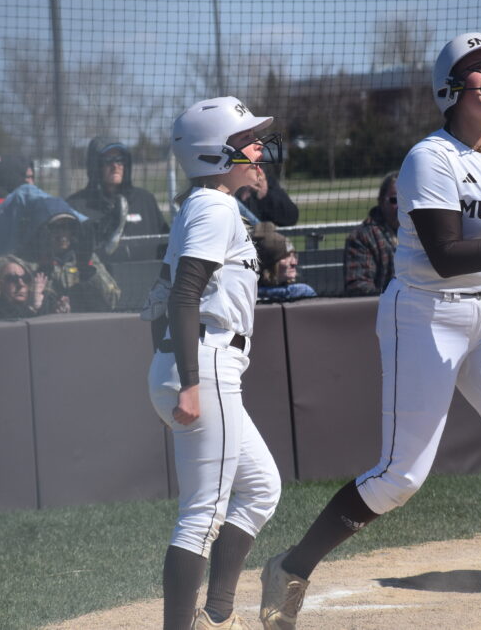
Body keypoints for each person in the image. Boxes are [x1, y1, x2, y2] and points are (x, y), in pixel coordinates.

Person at [259, 33, 481, 630]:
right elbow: (445, 256)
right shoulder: (430, 158)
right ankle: (290, 566)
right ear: (450, 86)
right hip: (425, 314)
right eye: (480, 69)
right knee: (400, 478)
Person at [148, 96, 283, 630]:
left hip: (197, 361)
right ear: (213, 152)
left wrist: (171, 371)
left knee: (261, 488)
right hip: (203, 365)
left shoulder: (204, 205)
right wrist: (187, 383)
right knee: (202, 514)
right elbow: (183, 297)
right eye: (246, 140)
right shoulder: (214, 207)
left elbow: (160, 298)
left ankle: (217, 617)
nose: (258, 148)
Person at [67, 137, 169, 264]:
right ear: (95, 165)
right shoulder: (76, 206)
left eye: (120, 160)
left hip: (147, 274)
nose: (115, 166)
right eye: (108, 160)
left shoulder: (145, 200)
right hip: (101, 275)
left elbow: (166, 245)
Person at [18, 199, 120, 313]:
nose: (62, 234)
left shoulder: (87, 258)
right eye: (56, 228)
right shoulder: (29, 263)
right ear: (45, 232)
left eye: (68, 227)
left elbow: (112, 299)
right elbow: (18, 303)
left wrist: (87, 272)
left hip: (83, 320)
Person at [342, 172, 399, 296]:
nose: (400, 206)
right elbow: (358, 286)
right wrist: (395, 298)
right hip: (382, 305)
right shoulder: (363, 237)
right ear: (381, 202)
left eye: (406, 199)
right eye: (394, 200)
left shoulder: (422, 233)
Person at [0, 254, 68, 320]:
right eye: (12, 279)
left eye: (25, 278)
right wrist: (31, 308)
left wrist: (57, 315)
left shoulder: (42, 299)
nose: (21, 284)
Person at [253, 223, 317, 303]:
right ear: (270, 265)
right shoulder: (303, 292)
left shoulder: (248, 294)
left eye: (294, 256)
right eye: (286, 257)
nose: (294, 262)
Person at [235, 165, 299, 227]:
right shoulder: (232, 186)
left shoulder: (267, 182)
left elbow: (291, 217)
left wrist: (264, 193)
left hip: (260, 231)